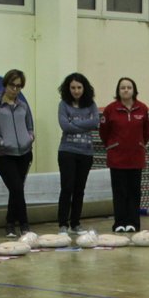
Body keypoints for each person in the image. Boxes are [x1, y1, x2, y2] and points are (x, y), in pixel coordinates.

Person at [0, 69, 34, 238]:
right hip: (4, 155)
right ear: (5, 84)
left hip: (24, 153)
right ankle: (24, 224)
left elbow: (30, 126)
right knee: (17, 188)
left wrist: (30, 138)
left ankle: (10, 223)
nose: (15, 90)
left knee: (16, 190)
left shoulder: (23, 106)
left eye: (19, 86)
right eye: (12, 85)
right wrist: (0, 141)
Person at [100, 77, 149, 233]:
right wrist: (112, 145)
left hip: (136, 157)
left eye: (129, 87)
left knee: (134, 192)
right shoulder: (110, 110)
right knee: (120, 192)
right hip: (117, 158)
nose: (126, 90)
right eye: (123, 88)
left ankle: (133, 223)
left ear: (134, 90)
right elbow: (104, 132)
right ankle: (120, 223)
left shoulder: (142, 108)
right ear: (118, 91)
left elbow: (146, 131)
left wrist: (140, 144)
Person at [55, 71, 101, 233]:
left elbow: (96, 122)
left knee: (79, 189)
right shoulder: (63, 105)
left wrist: (74, 122)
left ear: (84, 88)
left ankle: (75, 223)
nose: (76, 91)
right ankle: (63, 224)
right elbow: (64, 126)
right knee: (67, 187)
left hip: (86, 153)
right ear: (68, 89)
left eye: (79, 87)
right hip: (67, 151)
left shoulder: (91, 105)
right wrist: (85, 124)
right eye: (73, 87)